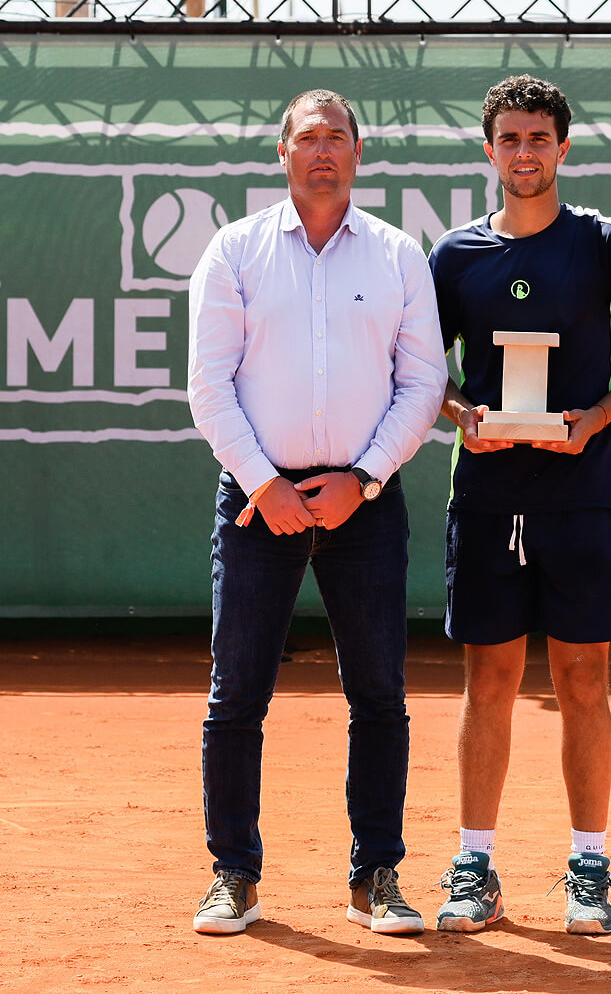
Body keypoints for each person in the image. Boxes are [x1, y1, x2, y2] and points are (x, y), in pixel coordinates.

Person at [187, 89, 448, 936]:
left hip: (364, 503)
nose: (323, 150)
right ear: (282, 151)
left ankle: (376, 876)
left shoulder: (399, 256)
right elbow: (208, 386)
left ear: (360, 151)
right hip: (256, 504)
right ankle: (234, 875)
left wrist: (363, 478)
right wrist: (265, 485)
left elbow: (422, 385)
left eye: (337, 136)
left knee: (379, 694)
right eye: (308, 137)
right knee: (236, 696)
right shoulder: (234, 251)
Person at [428, 74, 611, 935]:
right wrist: (464, 415)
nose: (526, 153)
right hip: (489, 492)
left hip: (583, 497)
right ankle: (475, 866)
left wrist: (595, 418)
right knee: (489, 679)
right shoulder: (454, 255)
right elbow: (423, 374)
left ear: (563, 148)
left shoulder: (607, 244)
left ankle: (589, 866)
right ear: (488, 149)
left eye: (541, 139)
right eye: (510, 139)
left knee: (583, 678)